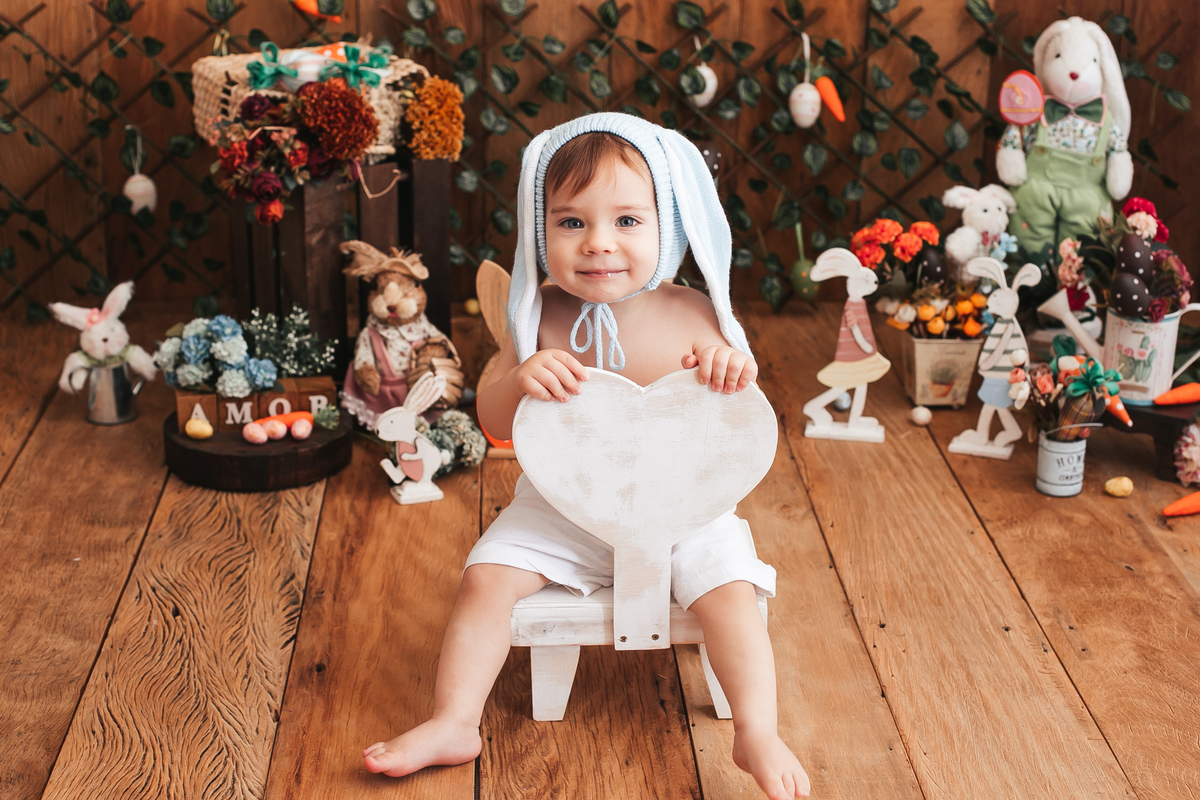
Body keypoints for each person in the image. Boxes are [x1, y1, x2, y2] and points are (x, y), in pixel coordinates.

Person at [362, 113, 811, 800]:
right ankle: (453, 721)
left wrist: (727, 369)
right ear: (540, 230)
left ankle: (756, 729)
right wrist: (520, 379)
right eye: (571, 222)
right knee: (485, 579)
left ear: (669, 227)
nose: (599, 242)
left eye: (627, 221)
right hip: (563, 506)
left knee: (730, 590)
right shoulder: (537, 313)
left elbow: (738, 421)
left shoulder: (696, 313)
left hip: (685, 507)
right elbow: (492, 420)